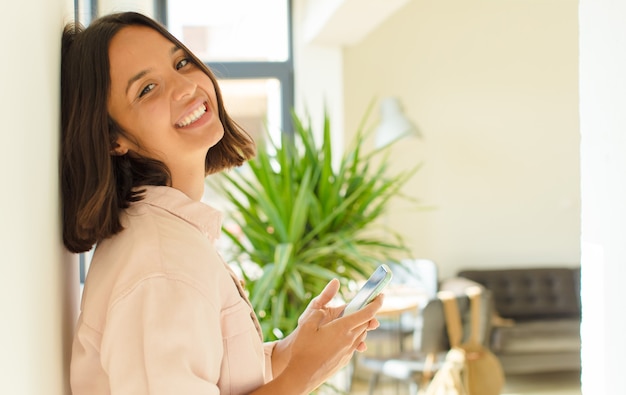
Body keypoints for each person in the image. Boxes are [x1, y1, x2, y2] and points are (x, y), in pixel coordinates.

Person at [61, 11, 384, 395]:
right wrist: (305, 372)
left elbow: (214, 372)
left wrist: (290, 351)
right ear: (114, 139)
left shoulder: (170, 238)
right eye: (146, 88)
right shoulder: (161, 265)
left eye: (181, 62)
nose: (185, 87)